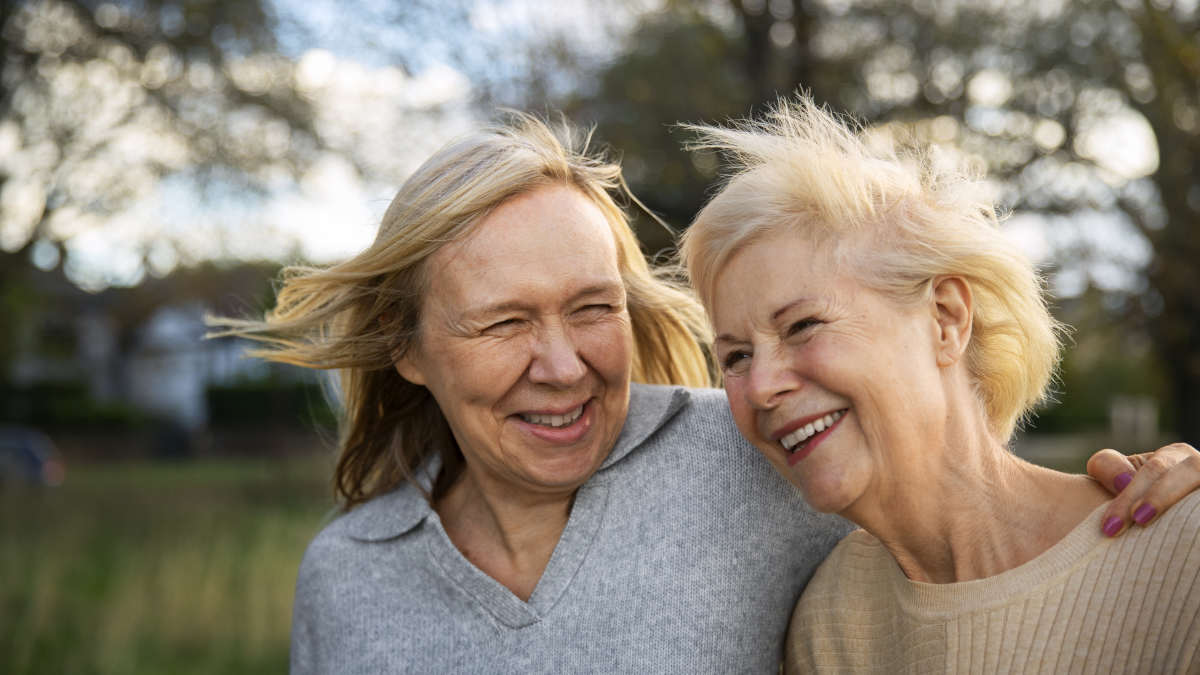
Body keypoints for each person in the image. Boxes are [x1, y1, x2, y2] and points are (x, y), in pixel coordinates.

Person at [213, 112, 1196, 673]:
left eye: (590, 308)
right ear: (410, 348)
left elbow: (943, 486)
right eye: (504, 322)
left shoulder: (748, 451)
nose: (561, 366)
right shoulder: (348, 581)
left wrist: (1166, 496)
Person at [681, 95, 1200, 673]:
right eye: (736, 357)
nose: (760, 386)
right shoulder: (829, 625)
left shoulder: (1183, 555)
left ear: (946, 319)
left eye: (803, 325)